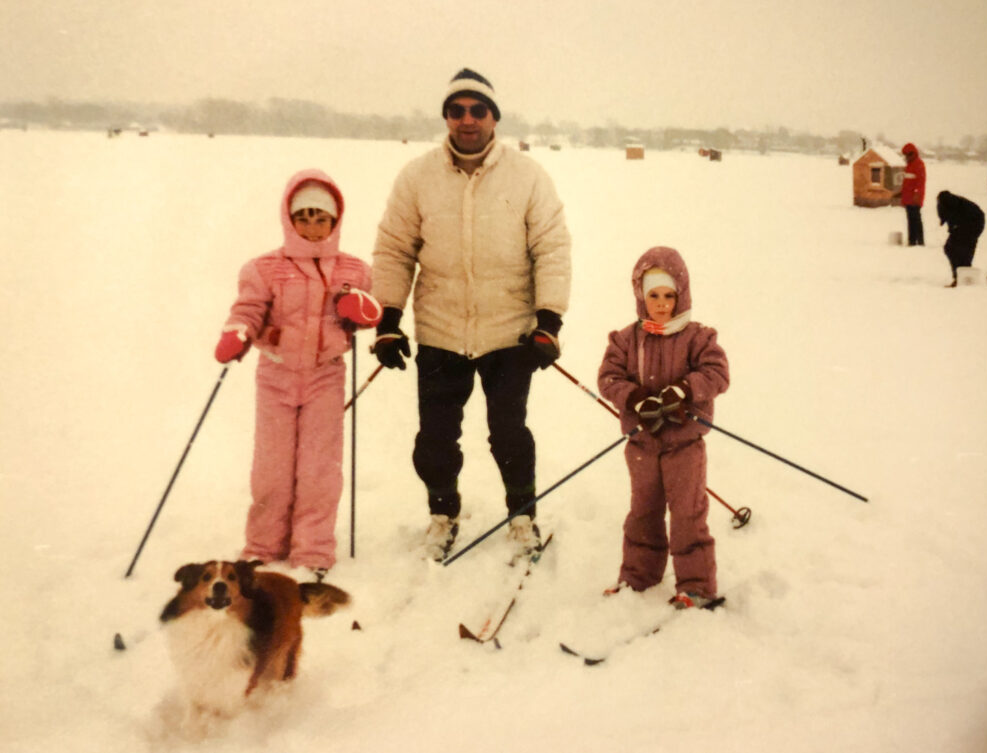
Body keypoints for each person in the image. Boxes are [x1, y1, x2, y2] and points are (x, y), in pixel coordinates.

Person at [370, 68, 572, 561]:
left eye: (477, 110)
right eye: (457, 110)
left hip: (510, 332)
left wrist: (548, 322)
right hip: (441, 329)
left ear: (493, 117)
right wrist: (388, 322)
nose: (467, 119)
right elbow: (395, 249)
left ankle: (522, 516)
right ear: (445, 116)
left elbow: (552, 248)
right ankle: (443, 513)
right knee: (435, 437)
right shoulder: (416, 177)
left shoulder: (527, 176)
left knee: (509, 432)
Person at [214, 169, 382, 578]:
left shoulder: (353, 269)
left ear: (335, 220)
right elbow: (249, 309)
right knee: (272, 466)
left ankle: (313, 551)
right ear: (289, 218)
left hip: (325, 376)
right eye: (302, 216)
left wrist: (359, 312)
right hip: (276, 377)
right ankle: (263, 545)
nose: (311, 225)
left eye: (320, 217)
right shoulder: (265, 268)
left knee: (318, 469)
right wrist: (239, 332)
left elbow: (367, 312)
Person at [597, 246, 729, 608]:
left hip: (685, 443)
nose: (661, 304)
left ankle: (697, 585)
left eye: (669, 295)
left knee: (687, 512)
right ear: (640, 294)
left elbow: (717, 373)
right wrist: (636, 398)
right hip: (642, 444)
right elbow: (608, 378)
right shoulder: (626, 339)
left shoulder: (698, 337)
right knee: (644, 511)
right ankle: (639, 576)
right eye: (653, 295)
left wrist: (682, 392)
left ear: (681, 294)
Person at [936, 190, 986, 287]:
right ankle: (962, 277)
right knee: (951, 248)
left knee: (960, 250)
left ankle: (963, 278)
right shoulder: (945, 205)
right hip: (967, 223)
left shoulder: (954, 206)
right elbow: (948, 221)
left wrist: (954, 231)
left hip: (974, 223)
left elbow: (956, 222)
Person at [900, 143, 927, 246]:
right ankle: (912, 241)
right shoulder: (909, 165)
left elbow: (921, 182)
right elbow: (907, 182)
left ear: (912, 154)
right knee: (911, 220)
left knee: (915, 220)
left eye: (906, 155)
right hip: (908, 198)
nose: (905, 157)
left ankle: (918, 241)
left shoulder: (919, 164)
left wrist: (917, 194)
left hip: (914, 199)